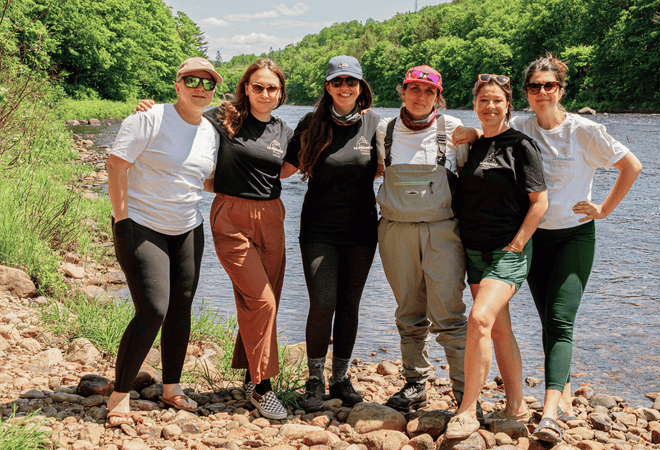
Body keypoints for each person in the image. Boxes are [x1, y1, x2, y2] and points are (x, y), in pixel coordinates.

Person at [454, 53, 642, 442]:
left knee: (559, 321)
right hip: (535, 239)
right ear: (525, 94)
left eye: (549, 86)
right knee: (545, 321)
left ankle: (552, 413)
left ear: (561, 89)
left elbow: (632, 166)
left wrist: (604, 209)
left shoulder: (584, 130)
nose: (542, 92)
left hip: (572, 236)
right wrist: (472, 134)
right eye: (535, 87)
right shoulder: (522, 125)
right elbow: (492, 127)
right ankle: (553, 391)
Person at [137, 58, 295, 419]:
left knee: (262, 300)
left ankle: (251, 375)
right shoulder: (223, 118)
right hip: (231, 219)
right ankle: (263, 388)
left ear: (281, 93)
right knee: (262, 300)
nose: (265, 94)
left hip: (272, 217)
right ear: (245, 88)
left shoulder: (285, 132)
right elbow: (183, 119)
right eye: (258, 87)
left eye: (272, 88)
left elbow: (287, 169)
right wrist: (152, 112)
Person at [106, 57, 222, 428]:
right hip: (141, 225)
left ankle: (171, 388)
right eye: (192, 80)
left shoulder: (210, 131)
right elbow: (116, 164)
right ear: (177, 84)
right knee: (153, 308)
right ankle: (119, 395)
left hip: (188, 227)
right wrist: (121, 220)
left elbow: (205, 180)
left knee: (181, 308)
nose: (200, 88)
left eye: (208, 83)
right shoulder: (148, 118)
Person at [445, 74, 548, 439]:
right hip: (475, 249)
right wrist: (472, 134)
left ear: (508, 105)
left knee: (479, 320)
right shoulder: (472, 145)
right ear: (475, 104)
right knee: (498, 328)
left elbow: (540, 202)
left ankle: (467, 410)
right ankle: (516, 404)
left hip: (507, 250)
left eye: (497, 101)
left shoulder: (521, 145)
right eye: (483, 100)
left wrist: (519, 243)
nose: (490, 107)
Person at [282, 55, 380, 412]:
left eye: (351, 82)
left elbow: (399, 163)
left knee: (349, 305)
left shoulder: (374, 124)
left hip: (362, 230)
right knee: (323, 303)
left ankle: (340, 379)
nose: (344, 88)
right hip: (318, 230)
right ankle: (313, 380)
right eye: (337, 82)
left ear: (361, 87)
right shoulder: (311, 123)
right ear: (327, 86)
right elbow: (282, 169)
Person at [375, 65, 470, 412]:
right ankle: (416, 384)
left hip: (442, 231)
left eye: (428, 91)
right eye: (414, 89)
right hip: (395, 230)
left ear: (437, 96)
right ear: (402, 91)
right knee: (408, 311)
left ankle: (464, 393)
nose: (420, 96)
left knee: (449, 314)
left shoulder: (454, 130)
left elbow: (474, 179)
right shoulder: (383, 130)